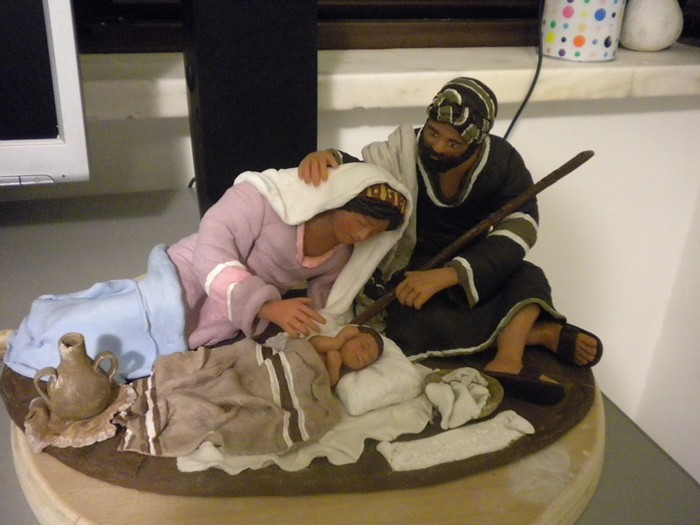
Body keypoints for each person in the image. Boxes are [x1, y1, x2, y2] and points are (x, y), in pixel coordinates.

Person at [298, 77, 602, 390]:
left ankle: (509, 360)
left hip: (473, 264)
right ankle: (532, 334)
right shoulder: (404, 153)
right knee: (406, 320)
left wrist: (451, 275)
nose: (438, 147)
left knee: (526, 275)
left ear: (476, 144)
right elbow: (368, 176)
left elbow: (522, 223)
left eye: (453, 143)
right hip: (411, 266)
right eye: (433, 133)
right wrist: (333, 158)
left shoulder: (502, 162)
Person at [3, 163, 410, 381]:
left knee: (143, 358)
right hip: (190, 278)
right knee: (116, 319)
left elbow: (324, 302)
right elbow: (213, 243)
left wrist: (327, 333)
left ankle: (74, 377)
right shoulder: (263, 201)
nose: (363, 236)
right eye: (361, 221)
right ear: (339, 199)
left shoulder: (340, 256)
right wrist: (267, 305)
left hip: (226, 317)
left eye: (374, 233)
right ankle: (30, 334)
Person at [309, 324, 384, 387]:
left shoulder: (342, 373)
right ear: (349, 336)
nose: (365, 357)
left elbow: (329, 385)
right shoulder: (332, 340)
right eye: (363, 346)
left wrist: (333, 370)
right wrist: (337, 341)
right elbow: (311, 344)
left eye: (368, 361)